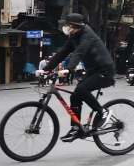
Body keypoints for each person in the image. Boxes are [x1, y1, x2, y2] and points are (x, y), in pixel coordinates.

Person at [38, 14, 115, 142]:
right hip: (92, 71)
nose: (64, 27)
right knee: (75, 95)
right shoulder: (73, 37)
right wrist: (45, 70)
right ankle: (76, 127)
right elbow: (62, 53)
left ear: (74, 26)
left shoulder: (87, 34)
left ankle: (103, 112)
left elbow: (80, 51)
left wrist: (70, 68)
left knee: (82, 89)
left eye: (66, 25)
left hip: (104, 70)